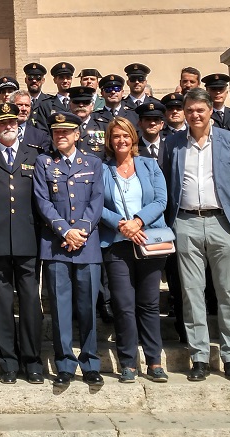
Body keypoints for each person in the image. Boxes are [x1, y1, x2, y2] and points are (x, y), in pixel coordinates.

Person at [164, 88, 230, 382]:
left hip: (221, 223)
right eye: (189, 111)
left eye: (200, 110)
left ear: (210, 110)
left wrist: (224, 204)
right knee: (191, 293)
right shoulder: (173, 143)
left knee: (227, 291)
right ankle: (199, 356)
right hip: (186, 222)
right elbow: (167, 182)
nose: (194, 115)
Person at [0, 103, 44, 385]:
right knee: (0, 305)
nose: (8, 127)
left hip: (28, 239)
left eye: (12, 122)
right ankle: (8, 363)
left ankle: (33, 361)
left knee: (30, 304)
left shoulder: (35, 156)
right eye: (1, 123)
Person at [33, 111, 104, 388]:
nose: (60, 135)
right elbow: (42, 200)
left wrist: (81, 230)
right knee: (61, 308)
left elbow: (97, 199)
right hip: (56, 245)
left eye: (66, 131)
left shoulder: (93, 163)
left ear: (77, 134)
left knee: (87, 306)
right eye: (56, 132)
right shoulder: (44, 163)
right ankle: (64, 363)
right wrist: (66, 230)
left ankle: (89, 362)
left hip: (86, 245)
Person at [99, 117, 169, 383]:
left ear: (133, 138)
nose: (121, 140)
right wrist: (121, 225)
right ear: (109, 140)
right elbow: (96, 203)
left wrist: (137, 221)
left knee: (149, 304)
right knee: (123, 305)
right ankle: (128, 362)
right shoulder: (102, 169)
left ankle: (154, 361)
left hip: (148, 241)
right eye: (116, 136)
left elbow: (162, 199)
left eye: (126, 135)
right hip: (116, 244)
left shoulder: (149, 165)